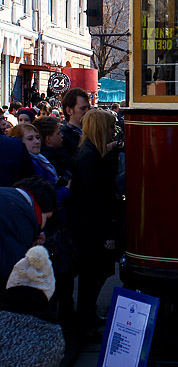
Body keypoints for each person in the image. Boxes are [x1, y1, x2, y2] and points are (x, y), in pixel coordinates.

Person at [68, 108, 121, 334]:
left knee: (94, 276)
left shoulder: (89, 153)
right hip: (92, 229)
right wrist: (107, 233)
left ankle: (87, 317)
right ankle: (85, 321)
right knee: (93, 276)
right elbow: (97, 199)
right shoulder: (90, 158)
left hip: (90, 227)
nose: (113, 131)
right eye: (110, 127)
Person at [0, 177, 57, 292]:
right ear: (41, 208)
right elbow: (10, 268)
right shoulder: (23, 215)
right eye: (47, 218)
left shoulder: (5, 194)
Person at [60, 88, 90, 169]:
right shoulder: (62, 136)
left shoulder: (90, 133)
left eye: (88, 108)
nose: (87, 112)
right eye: (83, 109)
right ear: (69, 110)